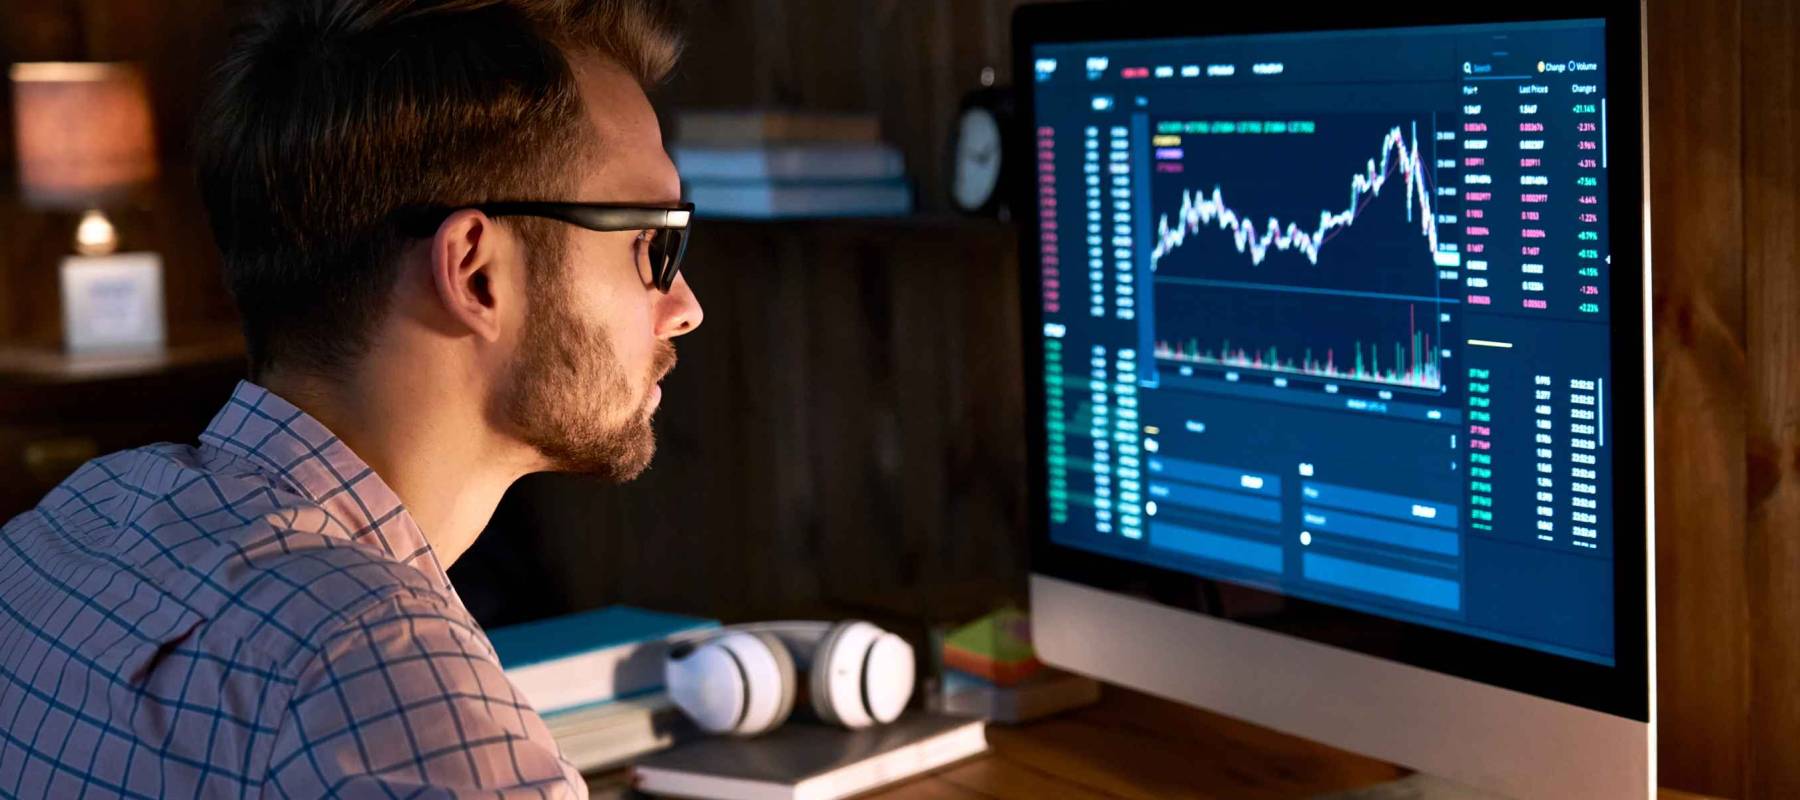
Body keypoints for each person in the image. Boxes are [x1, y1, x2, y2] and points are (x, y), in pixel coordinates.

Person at [0, 0, 700, 795]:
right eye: (654, 240)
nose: (685, 305)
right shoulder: (381, 671)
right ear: (476, 271)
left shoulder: (63, 530)